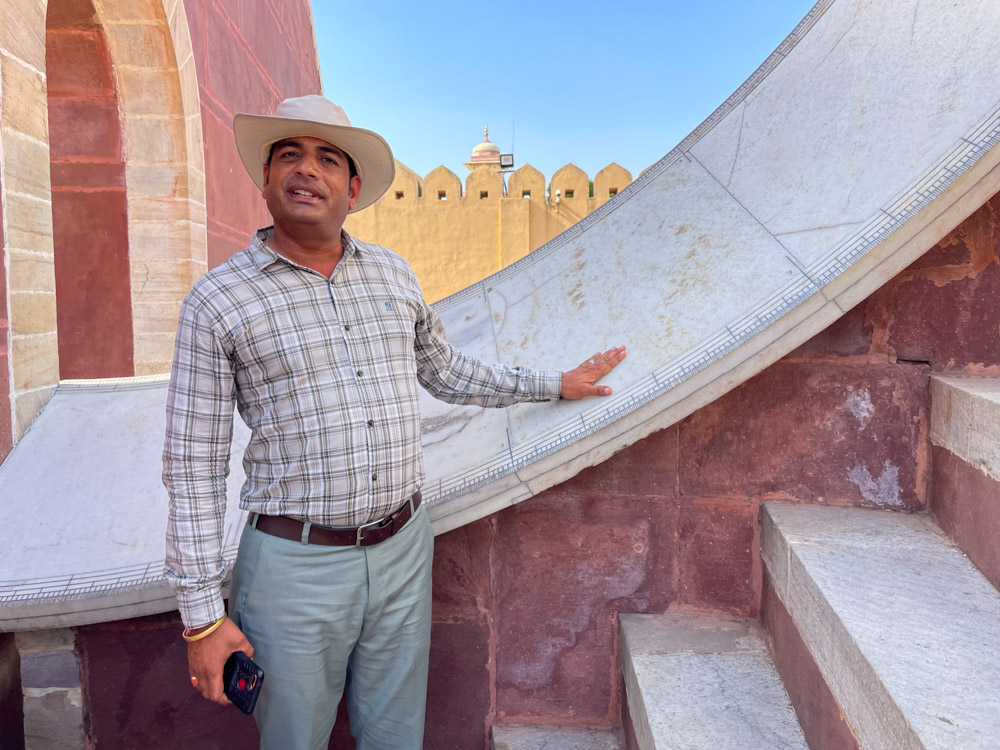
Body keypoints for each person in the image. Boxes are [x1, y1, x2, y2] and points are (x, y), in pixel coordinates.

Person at [162, 94, 626, 750]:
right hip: (294, 566)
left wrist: (554, 383)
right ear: (264, 179)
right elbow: (192, 464)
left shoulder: (391, 274)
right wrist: (203, 620)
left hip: (405, 547)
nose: (306, 169)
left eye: (327, 158)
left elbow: (447, 372)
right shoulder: (220, 300)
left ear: (352, 190)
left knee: (396, 736)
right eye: (288, 154)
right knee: (293, 738)